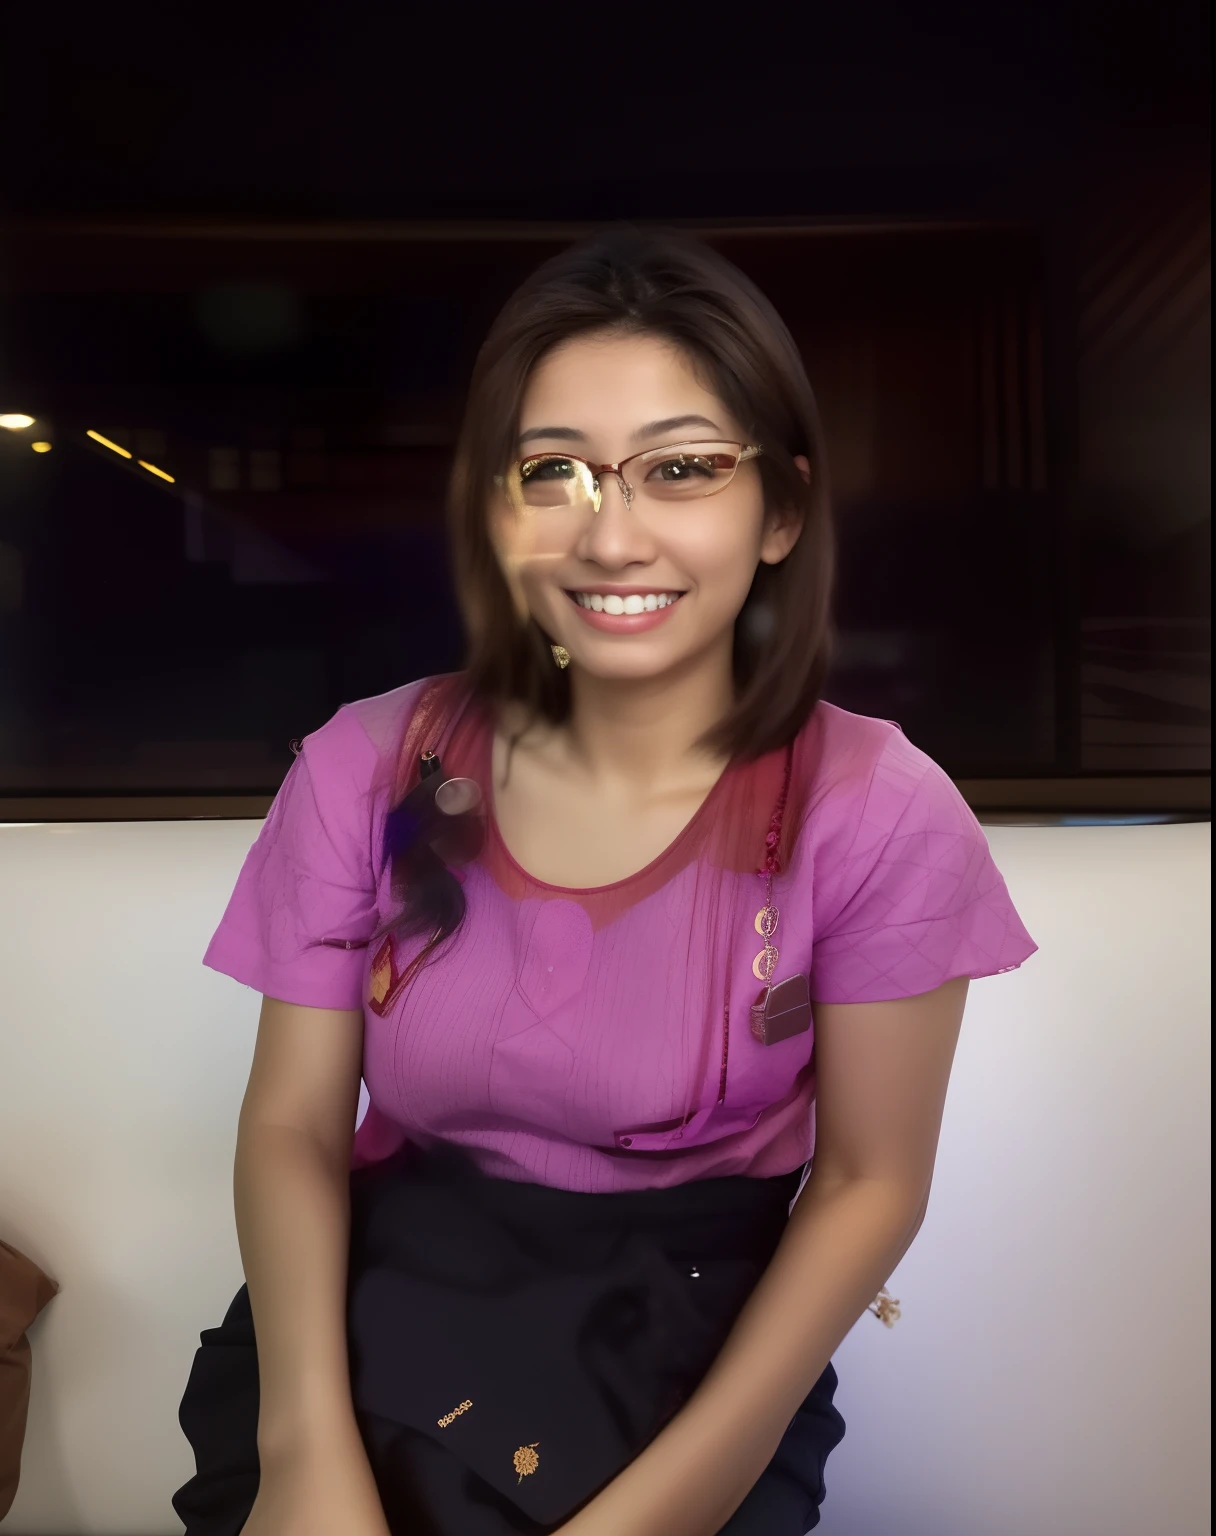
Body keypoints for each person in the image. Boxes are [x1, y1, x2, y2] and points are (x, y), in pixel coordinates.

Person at [172, 229, 1037, 1536]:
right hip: (374, 1309)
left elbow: (868, 1184)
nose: (610, 532)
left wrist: (654, 1519)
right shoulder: (364, 765)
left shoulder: (875, 807)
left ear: (782, 509)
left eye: (681, 469)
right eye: (552, 472)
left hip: (691, 1346)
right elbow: (293, 1127)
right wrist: (303, 1453)